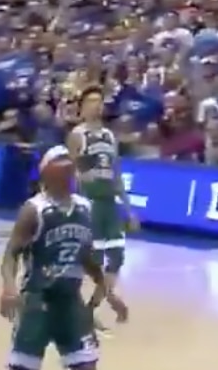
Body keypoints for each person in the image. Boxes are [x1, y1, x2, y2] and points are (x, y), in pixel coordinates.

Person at [1, 145, 129, 370]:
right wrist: (9, 287)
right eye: (61, 164)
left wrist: (108, 293)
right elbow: (11, 254)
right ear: (48, 172)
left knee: (87, 365)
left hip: (70, 302)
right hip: (37, 302)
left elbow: (88, 260)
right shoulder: (34, 210)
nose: (68, 170)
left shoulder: (85, 208)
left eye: (68, 165)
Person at [66, 87, 137, 329]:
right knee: (91, 263)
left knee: (116, 258)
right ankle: (88, 306)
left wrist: (129, 209)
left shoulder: (108, 136)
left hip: (110, 203)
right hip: (89, 203)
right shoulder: (78, 134)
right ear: (83, 107)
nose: (97, 106)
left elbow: (116, 174)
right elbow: (71, 169)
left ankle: (90, 309)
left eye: (100, 101)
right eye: (91, 101)